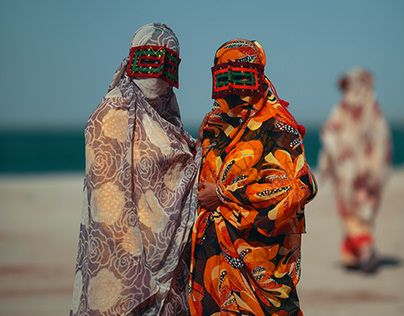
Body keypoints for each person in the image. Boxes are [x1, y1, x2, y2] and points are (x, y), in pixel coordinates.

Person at [70, 23, 199, 315]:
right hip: (121, 272)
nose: (157, 72)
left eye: (167, 63)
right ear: (133, 61)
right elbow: (108, 206)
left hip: (172, 278)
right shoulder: (109, 117)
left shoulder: (169, 124)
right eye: (150, 59)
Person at [189, 39, 317, 316]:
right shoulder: (215, 122)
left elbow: (297, 188)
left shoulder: (278, 126)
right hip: (213, 257)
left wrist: (223, 195)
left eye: (241, 77)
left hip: (260, 259)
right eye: (224, 77)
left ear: (257, 76)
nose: (232, 87)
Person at [319, 68, 391, 273]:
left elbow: (380, 143)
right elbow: (330, 136)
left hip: (362, 173)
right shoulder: (359, 110)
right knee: (355, 212)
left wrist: (373, 167)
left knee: (357, 213)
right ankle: (352, 254)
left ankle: (365, 250)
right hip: (349, 172)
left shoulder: (368, 111)